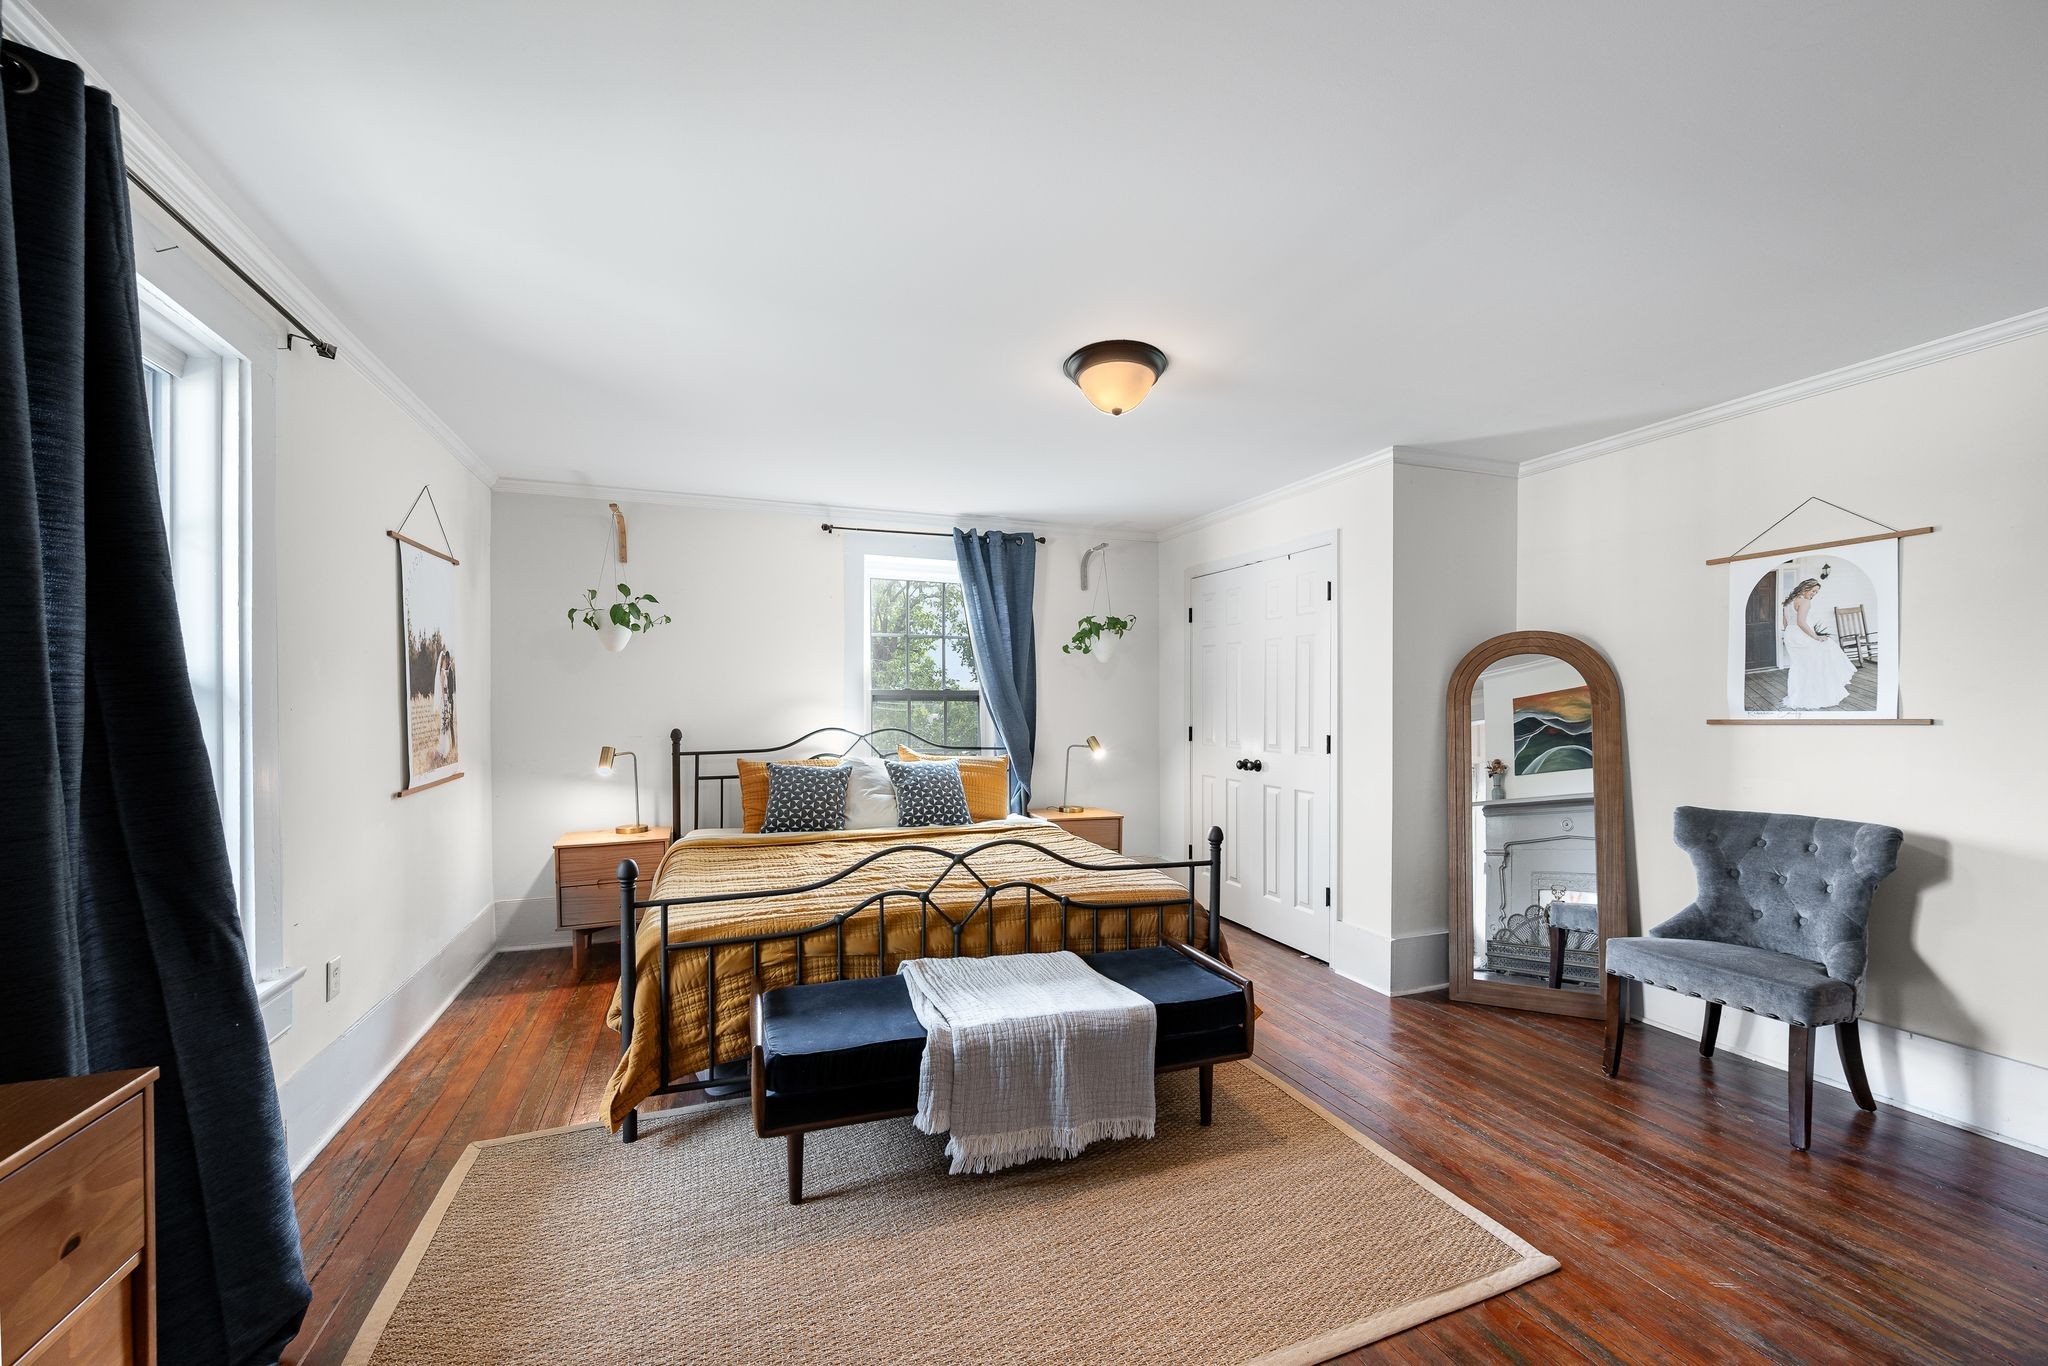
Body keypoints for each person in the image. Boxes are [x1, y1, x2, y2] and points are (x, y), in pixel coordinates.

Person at [1779, 578, 1853, 709]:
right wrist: (1816, 637)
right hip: (1801, 634)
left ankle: (1799, 695)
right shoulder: (1805, 602)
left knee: (1799, 666)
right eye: (1813, 591)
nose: (1814, 594)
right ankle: (1819, 693)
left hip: (1790, 635)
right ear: (1806, 588)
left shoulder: (1788, 601)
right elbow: (1801, 622)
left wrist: (1791, 634)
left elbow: (1785, 623)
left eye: (1816, 592)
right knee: (1824, 651)